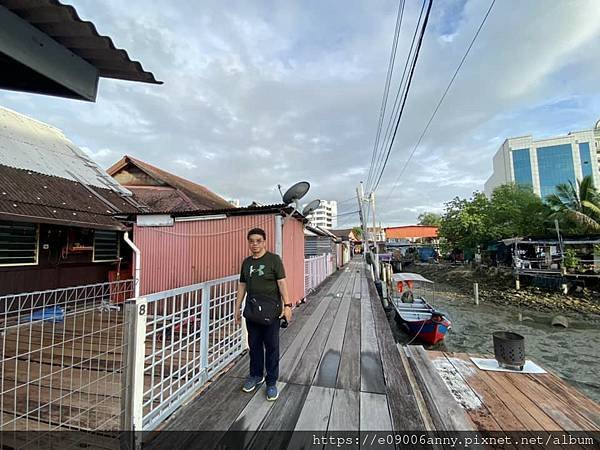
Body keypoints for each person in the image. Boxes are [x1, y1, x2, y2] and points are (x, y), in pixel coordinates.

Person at [234, 227, 292, 401]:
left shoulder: (273, 260)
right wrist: (237, 307)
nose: (255, 244)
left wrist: (288, 305)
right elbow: (242, 286)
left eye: (258, 241)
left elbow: (282, 283)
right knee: (255, 345)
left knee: (272, 347)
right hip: (252, 311)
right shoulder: (246, 263)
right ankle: (256, 376)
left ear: (264, 242)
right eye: (251, 241)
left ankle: (271, 382)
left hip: (271, 311)